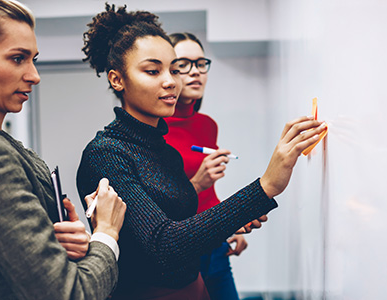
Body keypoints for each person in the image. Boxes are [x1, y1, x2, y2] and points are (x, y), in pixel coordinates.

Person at [76, 4, 326, 300]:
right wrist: (265, 187)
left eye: (173, 69)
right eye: (153, 70)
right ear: (117, 79)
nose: (171, 81)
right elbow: (164, 247)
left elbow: (182, 223)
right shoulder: (106, 154)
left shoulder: (164, 150)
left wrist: (234, 219)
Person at [0, 0, 127, 299]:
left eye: (33, 59)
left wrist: (62, 243)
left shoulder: (0, 143)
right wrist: (107, 233)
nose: (34, 75)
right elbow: (67, 294)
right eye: (17, 59)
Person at [164, 32, 246, 300]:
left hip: (215, 243)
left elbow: (208, 195)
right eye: (184, 64)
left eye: (201, 63)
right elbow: (157, 208)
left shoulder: (208, 125)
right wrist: (197, 181)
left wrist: (229, 224)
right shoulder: (154, 131)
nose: (195, 72)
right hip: (181, 252)